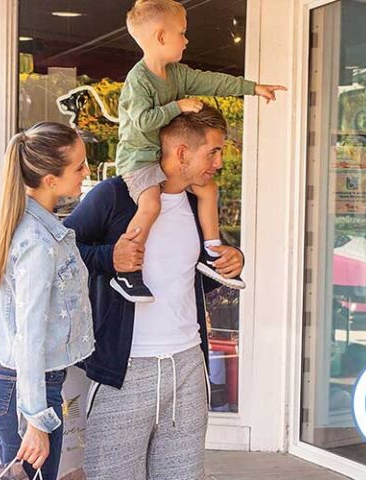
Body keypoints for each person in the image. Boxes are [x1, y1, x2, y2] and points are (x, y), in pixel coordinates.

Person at [64, 105, 245, 480]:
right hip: (124, 370)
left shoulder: (198, 204)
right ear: (181, 153)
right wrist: (108, 258)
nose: (219, 161)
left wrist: (232, 260)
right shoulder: (114, 196)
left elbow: (192, 275)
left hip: (188, 365)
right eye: (212, 151)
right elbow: (59, 254)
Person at [111, 0, 284, 302]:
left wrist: (253, 87)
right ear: (161, 37)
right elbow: (141, 121)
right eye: (182, 33)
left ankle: (211, 252)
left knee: (208, 189)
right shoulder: (138, 80)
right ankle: (127, 273)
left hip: (158, 159)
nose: (187, 40)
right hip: (138, 159)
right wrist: (177, 106)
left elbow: (210, 81)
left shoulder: (176, 74)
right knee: (150, 205)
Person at [0, 122, 95, 479]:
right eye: (79, 167)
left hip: (19, 383)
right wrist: (35, 419)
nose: (87, 172)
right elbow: (28, 336)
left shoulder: (28, 225)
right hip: (23, 387)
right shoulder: (38, 243)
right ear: (50, 180)